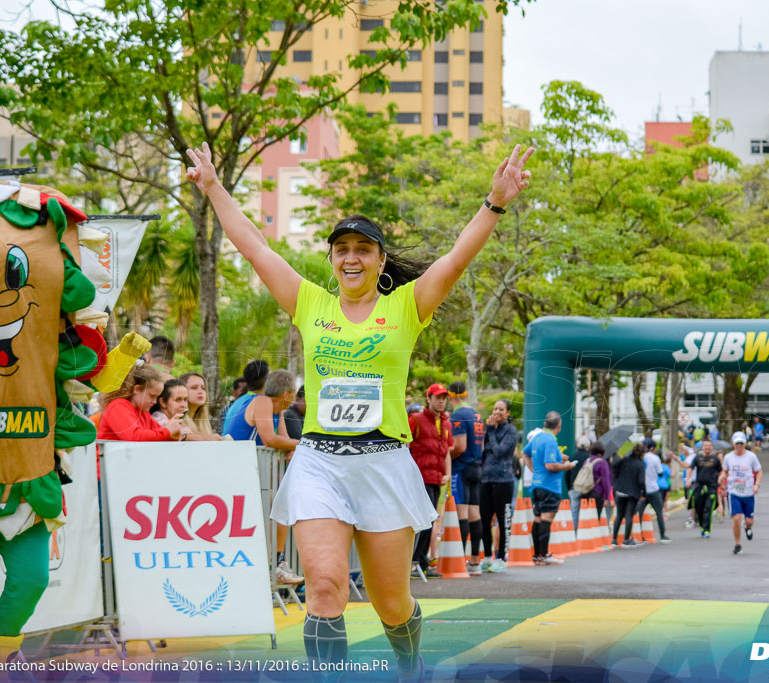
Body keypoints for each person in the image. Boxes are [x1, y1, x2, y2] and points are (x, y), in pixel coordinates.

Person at [187, 139, 534, 677]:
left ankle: (409, 662)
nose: (351, 256)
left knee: (390, 603)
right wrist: (213, 188)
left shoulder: (407, 304)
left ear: (378, 259)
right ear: (332, 258)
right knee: (324, 586)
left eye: (363, 248)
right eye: (342, 248)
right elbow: (255, 247)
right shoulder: (311, 303)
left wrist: (494, 202)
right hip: (320, 462)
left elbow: (457, 257)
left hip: (383, 463)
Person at [227, 369, 304, 585]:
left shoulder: (275, 409)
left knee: (281, 505)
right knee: (276, 507)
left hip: (251, 471)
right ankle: (274, 564)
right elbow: (270, 440)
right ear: (288, 394)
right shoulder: (262, 402)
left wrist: (292, 446)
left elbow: (284, 440)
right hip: (236, 470)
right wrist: (305, 444)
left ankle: (278, 563)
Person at [408, 384, 453, 579]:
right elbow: (404, 446)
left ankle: (421, 563)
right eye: (437, 397)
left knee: (430, 520)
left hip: (436, 478)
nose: (441, 400)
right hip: (419, 478)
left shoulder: (446, 423)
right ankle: (415, 562)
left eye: (444, 397)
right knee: (421, 521)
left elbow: (446, 452)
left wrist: (448, 473)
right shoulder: (416, 419)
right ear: (429, 398)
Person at [522, 411, 574, 564]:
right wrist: (566, 466)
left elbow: (524, 454)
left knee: (538, 518)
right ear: (559, 426)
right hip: (550, 486)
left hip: (537, 484)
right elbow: (550, 465)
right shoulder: (550, 440)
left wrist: (534, 470)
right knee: (546, 519)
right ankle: (544, 554)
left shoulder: (537, 437)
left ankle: (537, 554)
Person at [448, 380, 485, 576]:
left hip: (461, 469)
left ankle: (460, 560)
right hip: (477, 466)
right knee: (475, 514)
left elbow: (459, 446)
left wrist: (445, 454)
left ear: (450, 396)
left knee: (461, 514)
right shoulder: (476, 414)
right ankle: (475, 561)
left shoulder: (459, 415)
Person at [479, 399, 519, 573]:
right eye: (495, 408)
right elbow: (482, 451)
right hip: (486, 479)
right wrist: (485, 432)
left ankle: (501, 557)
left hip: (504, 480)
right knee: (484, 520)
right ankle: (487, 556)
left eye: (501, 409)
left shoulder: (511, 431)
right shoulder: (488, 430)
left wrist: (491, 430)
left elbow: (499, 450)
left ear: (508, 413)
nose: (497, 412)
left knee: (502, 521)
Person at [98, 364, 183, 442]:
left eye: (157, 397)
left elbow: (159, 436)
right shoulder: (117, 406)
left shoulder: (143, 412)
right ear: (137, 389)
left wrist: (173, 435)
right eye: (152, 396)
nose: (154, 402)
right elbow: (134, 437)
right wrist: (168, 431)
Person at [719, 431, 762, 555]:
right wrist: (722, 476)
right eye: (737, 443)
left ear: (744, 444)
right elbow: (725, 471)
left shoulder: (751, 456)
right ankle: (737, 544)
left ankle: (747, 527)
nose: (739, 446)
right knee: (737, 518)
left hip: (749, 492)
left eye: (741, 443)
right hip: (734, 492)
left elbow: (759, 471)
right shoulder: (728, 457)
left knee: (749, 521)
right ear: (733, 444)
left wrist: (756, 484)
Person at [611, 444, 646, 548]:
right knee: (629, 515)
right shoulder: (640, 465)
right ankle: (626, 539)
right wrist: (643, 492)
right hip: (632, 492)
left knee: (619, 515)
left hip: (620, 490)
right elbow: (641, 481)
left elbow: (615, 470)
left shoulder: (624, 460)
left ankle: (614, 539)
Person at [222, 360, 270, 435]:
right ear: (266, 380)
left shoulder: (239, 401)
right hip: (242, 446)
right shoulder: (259, 403)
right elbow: (270, 439)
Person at [637, 439, 671, 543]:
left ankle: (639, 535)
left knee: (639, 514)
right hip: (653, 489)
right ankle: (662, 535)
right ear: (653, 448)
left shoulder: (639, 458)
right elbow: (660, 473)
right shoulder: (655, 458)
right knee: (659, 513)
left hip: (642, 490)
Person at [690, 440, 722, 538]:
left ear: (711, 447)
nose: (707, 447)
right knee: (698, 507)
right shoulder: (698, 458)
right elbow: (690, 468)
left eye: (709, 445)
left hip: (711, 487)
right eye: (705, 445)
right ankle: (702, 524)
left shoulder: (715, 459)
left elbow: (721, 471)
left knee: (708, 508)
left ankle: (707, 529)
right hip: (699, 486)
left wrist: (721, 482)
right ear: (702, 447)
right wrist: (688, 479)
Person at [567, 436, 593, 532]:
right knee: (587, 512)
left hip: (574, 488)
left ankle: (575, 532)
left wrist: (569, 487)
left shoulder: (572, 457)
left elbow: (567, 474)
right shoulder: (590, 458)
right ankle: (585, 532)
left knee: (574, 512)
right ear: (588, 446)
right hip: (587, 489)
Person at [588, 441, 613, 523]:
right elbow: (606, 481)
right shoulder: (602, 463)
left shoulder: (588, 460)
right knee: (596, 517)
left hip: (586, 492)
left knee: (588, 517)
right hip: (598, 493)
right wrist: (606, 497)